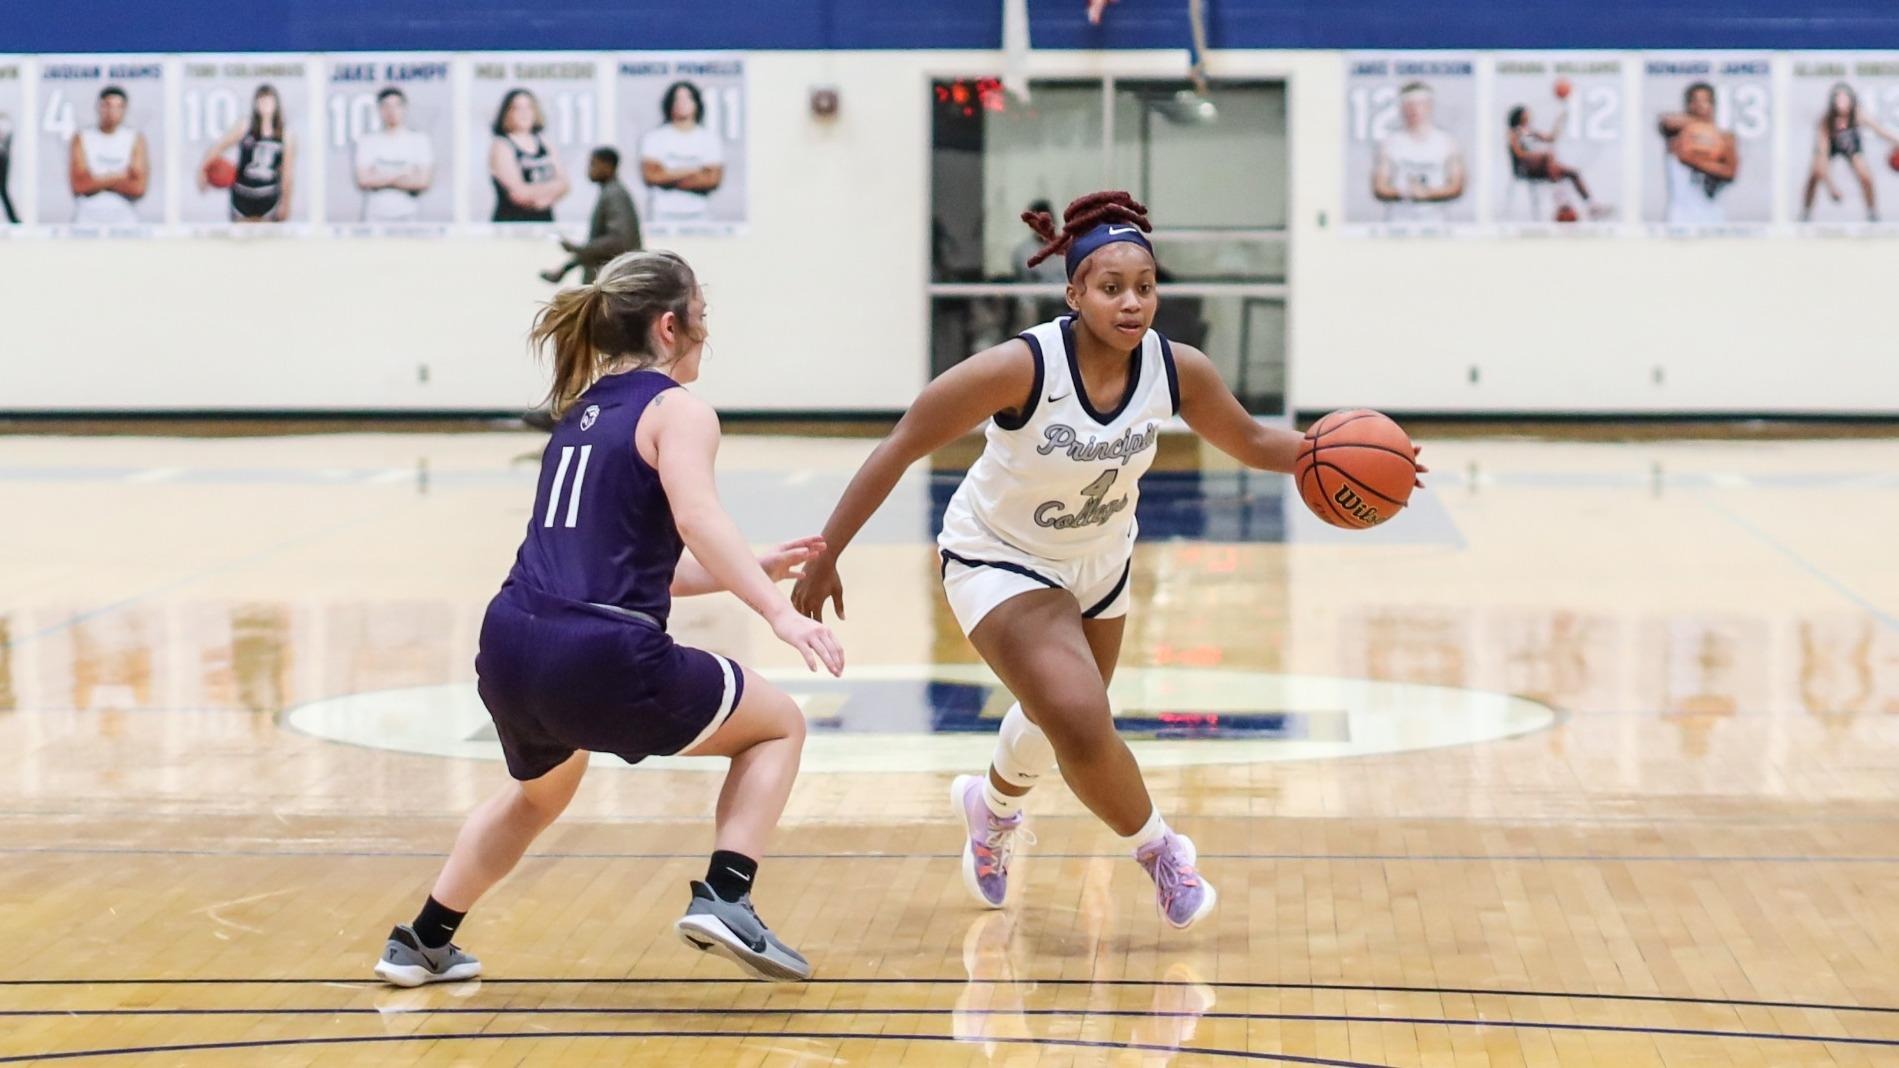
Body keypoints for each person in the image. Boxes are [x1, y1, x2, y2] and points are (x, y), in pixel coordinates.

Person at [792, 191, 1426, 928]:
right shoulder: (1019, 368)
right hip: (998, 554)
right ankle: (1161, 852)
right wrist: (827, 550)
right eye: (1111, 287)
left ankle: (989, 810)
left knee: (1053, 716)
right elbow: (902, 444)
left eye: (1145, 288)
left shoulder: (1174, 368)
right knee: (1081, 716)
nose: (1132, 303)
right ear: (1074, 292)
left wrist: (1352, 459)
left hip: (1099, 561)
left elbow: (1255, 442)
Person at [373, 250, 844, 988]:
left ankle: (423, 939)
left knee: (539, 794)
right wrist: (778, 611)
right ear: (669, 326)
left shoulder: (582, 412)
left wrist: (749, 568)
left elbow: (633, 565)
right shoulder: (678, 409)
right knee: (778, 724)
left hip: (510, 643)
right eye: (702, 316)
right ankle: (727, 893)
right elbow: (697, 518)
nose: (706, 332)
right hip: (596, 655)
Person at [1800, 82, 1899, 223]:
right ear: (1832, 102)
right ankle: (1806, 212)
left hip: (1850, 146)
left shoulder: (1857, 114)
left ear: (1851, 100)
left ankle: (1872, 213)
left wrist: (1896, 140)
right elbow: (1822, 155)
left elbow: (1880, 131)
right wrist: (1831, 187)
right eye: (1838, 99)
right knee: (1815, 175)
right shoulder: (1826, 121)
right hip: (1830, 147)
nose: (1841, 102)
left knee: (1866, 177)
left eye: (1844, 98)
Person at [542, 148, 643, 285]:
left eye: (593, 164)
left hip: (611, 283)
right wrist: (565, 268)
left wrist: (577, 249)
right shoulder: (610, 193)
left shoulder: (614, 195)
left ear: (608, 166)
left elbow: (618, 242)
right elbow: (602, 248)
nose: (589, 170)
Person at [198, 84, 295, 222]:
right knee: (240, 240)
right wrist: (202, 171)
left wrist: (286, 203)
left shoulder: (286, 135)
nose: (265, 104)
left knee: (267, 241)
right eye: (261, 100)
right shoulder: (245, 126)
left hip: (268, 196)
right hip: (242, 195)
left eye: (269, 100)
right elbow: (217, 148)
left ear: (276, 103)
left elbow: (287, 173)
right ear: (255, 103)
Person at [1371, 82, 1465, 224]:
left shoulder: (1447, 142)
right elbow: (1379, 188)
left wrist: (1427, 193)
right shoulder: (1390, 143)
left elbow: (1457, 187)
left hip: (1436, 222)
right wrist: (1406, 193)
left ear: (1429, 106)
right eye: (1409, 105)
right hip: (1398, 221)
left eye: (1419, 104)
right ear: (1402, 108)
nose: (1414, 110)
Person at [639, 80, 724, 223]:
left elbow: (712, 180)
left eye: (687, 98)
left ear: (696, 103)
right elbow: (651, 176)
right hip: (662, 215)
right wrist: (694, 171)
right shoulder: (654, 138)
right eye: (677, 99)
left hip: (699, 216)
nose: (682, 103)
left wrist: (667, 176)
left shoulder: (709, 139)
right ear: (669, 103)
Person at [1505, 104, 1609, 220]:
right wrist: (1538, 155)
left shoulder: (1528, 131)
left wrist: (1560, 120)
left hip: (1541, 167)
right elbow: (1519, 154)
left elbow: (1551, 138)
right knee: (1548, 155)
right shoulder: (1514, 132)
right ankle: (1560, 198)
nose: (1529, 115)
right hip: (1523, 168)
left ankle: (1592, 206)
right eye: (1526, 113)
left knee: (1573, 173)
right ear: (1520, 116)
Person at [1658, 82, 1738, 226]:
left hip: (1712, 216)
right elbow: (1665, 122)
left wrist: (1695, 161)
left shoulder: (1724, 138)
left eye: (1705, 101)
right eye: (1696, 101)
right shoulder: (1678, 133)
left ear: (1713, 105)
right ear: (1688, 105)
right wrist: (1702, 129)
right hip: (1680, 217)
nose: (1700, 105)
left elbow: (1730, 172)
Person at [69, 86, 150, 225]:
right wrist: (118, 177)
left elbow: (138, 187)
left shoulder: (134, 138)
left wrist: (97, 180)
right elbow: (80, 185)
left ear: (125, 109)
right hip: (87, 220)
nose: (111, 112)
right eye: (107, 106)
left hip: (125, 220)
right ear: (99, 107)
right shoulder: (83, 138)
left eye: (118, 107)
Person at [354, 87, 434, 224]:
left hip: (408, 216)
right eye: (386, 106)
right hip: (375, 216)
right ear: (379, 110)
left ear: (404, 108)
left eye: (396, 106)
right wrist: (403, 174)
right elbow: (364, 180)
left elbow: (423, 181)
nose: (391, 111)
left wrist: (380, 176)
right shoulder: (367, 141)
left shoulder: (419, 140)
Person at [489, 88, 568, 223]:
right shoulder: (501, 146)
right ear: (507, 113)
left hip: (545, 222)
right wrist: (550, 189)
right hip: (511, 224)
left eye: (528, 107)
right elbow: (519, 193)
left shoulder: (544, 143)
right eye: (517, 108)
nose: (524, 113)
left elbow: (564, 184)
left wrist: (541, 196)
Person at [0, 110, 17, 224]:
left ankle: (14, 220)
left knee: (3, 190)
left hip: (2, 159)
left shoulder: (5, 122)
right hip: (3, 158)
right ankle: (14, 219)